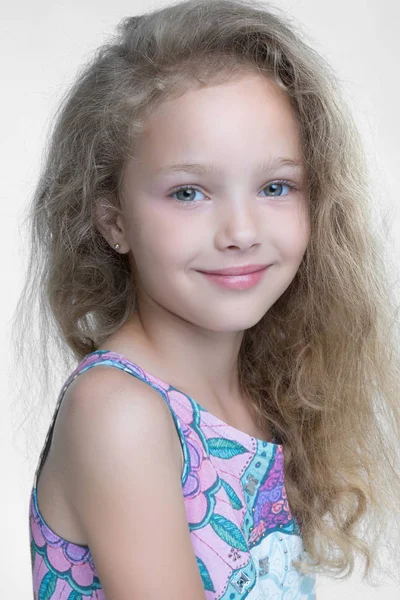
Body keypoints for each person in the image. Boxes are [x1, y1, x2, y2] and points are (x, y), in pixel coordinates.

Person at [11, 0, 400, 598]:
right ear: (114, 220)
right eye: (189, 192)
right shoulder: (120, 413)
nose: (241, 231)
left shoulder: (257, 393)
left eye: (275, 186)